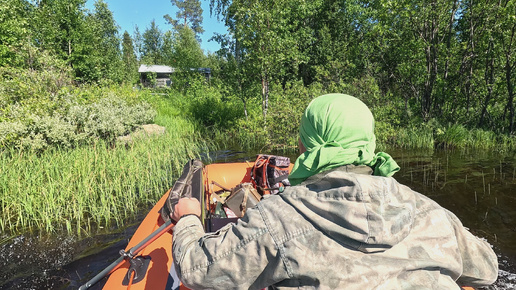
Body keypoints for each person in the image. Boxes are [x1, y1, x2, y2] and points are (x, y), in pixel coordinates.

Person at [170, 94, 498, 289]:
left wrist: (187, 219)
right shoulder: (433, 214)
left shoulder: (278, 219)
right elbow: (487, 270)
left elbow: (197, 269)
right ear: (369, 145)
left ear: (304, 147)